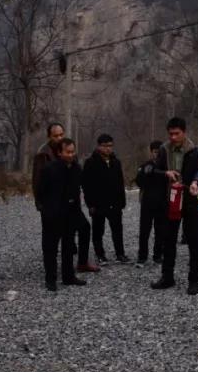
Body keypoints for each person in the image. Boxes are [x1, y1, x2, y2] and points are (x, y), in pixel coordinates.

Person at [149, 117, 198, 295]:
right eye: (171, 134)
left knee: (194, 240)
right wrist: (165, 172)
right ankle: (167, 277)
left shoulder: (196, 150)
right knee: (168, 240)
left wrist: (196, 182)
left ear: (184, 132)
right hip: (170, 200)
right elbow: (154, 170)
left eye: (177, 133)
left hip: (190, 200)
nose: (173, 137)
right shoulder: (164, 150)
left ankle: (193, 280)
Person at [34, 123, 97, 273]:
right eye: (56, 135)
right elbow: (38, 181)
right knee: (51, 239)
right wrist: (41, 204)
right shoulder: (44, 153)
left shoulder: (68, 149)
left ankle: (81, 263)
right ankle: (51, 271)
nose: (59, 137)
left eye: (61, 134)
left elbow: (76, 176)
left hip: (70, 203)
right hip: (52, 204)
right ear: (49, 136)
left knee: (83, 228)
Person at [37, 138, 88, 291]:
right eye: (68, 152)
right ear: (59, 152)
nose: (71, 155)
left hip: (70, 213)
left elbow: (77, 191)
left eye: (73, 151)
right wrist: (45, 211)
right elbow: (40, 192)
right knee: (51, 248)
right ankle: (50, 279)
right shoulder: (49, 169)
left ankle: (68, 276)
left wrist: (77, 211)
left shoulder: (76, 168)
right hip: (52, 214)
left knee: (68, 246)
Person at [83, 134, 130, 265]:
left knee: (117, 229)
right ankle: (100, 255)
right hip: (98, 204)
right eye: (105, 146)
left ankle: (120, 254)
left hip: (115, 203)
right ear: (99, 146)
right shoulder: (91, 162)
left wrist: (122, 201)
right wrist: (90, 204)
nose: (108, 149)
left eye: (110, 145)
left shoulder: (116, 162)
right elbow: (86, 185)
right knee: (98, 230)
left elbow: (120, 183)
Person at [135, 140, 166, 266]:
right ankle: (142, 256)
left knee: (160, 231)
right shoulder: (145, 165)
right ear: (151, 152)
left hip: (162, 202)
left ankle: (157, 255)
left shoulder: (165, 167)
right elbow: (139, 182)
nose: (157, 155)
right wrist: (144, 174)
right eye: (155, 152)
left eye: (159, 153)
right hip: (147, 202)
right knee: (144, 231)